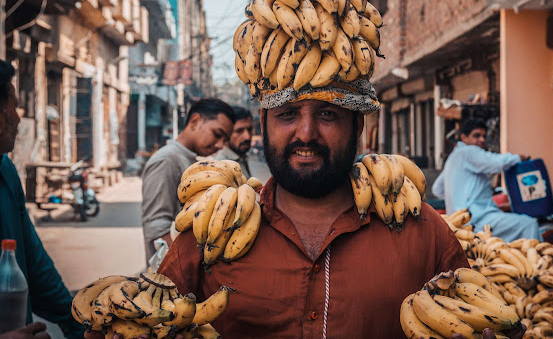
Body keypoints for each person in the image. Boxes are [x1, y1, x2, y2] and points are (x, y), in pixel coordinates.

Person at [157, 79, 475, 338]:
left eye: (327, 114)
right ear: (263, 123)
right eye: (287, 113)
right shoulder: (209, 231)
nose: (306, 133)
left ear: (358, 125)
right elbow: (154, 317)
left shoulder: (422, 231)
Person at [0, 60, 83, 338]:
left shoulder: (5, 171)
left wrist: (78, 322)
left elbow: (34, 265)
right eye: (13, 106)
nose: (18, 117)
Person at [141, 98, 235, 263]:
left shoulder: (192, 162)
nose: (220, 145)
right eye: (217, 134)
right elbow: (156, 225)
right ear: (195, 121)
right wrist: (181, 267)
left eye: (224, 139)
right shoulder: (167, 160)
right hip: (173, 276)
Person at [432, 118, 541, 241]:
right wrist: (518, 158)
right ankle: (536, 257)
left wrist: (458, 197)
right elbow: (496, 163)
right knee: (529, 224)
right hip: (478, 219)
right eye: (476, 136)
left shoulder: (453, 158)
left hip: (459, 222)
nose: (482, 140)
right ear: (464, 137)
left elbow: (437, 189)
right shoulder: (469, 151)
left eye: (484, 136)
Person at [213, 106, 270, 183]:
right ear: (226, 133)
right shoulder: (221, 167)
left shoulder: (241, 157)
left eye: (249, 129)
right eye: (239, 131)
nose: (247, 136)